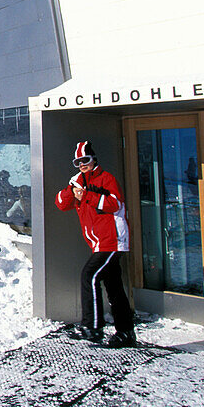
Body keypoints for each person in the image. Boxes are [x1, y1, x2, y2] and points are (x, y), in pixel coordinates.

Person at [55, 141, 136, 348]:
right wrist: (71, 191)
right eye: (78, 161)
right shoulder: (77, 182)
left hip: (112, 240)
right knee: (114, 286)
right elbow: (62, 204)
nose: (82, 164)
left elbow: (115, 203)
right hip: (98, 242)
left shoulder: (106, 178)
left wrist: (87, 196)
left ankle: (92, 327)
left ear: (93, 160)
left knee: (89, 275)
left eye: (86, 160)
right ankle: (126, 332)